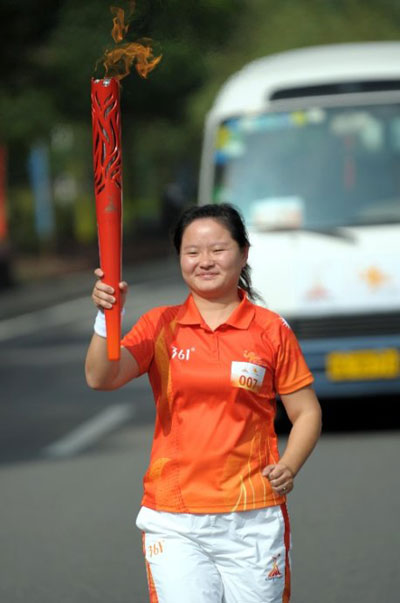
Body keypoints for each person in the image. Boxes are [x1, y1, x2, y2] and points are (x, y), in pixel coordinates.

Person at [85, 203, 322, 603]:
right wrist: (106, 317)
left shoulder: (270, 329)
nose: (205, 261)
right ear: (179, 258)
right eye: (192, 252)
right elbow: (100, 377)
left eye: (218, 249)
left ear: (244, 253)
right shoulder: (161, 325)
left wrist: (289, 464)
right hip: (174, 516)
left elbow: (306, 411)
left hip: (252, 516)